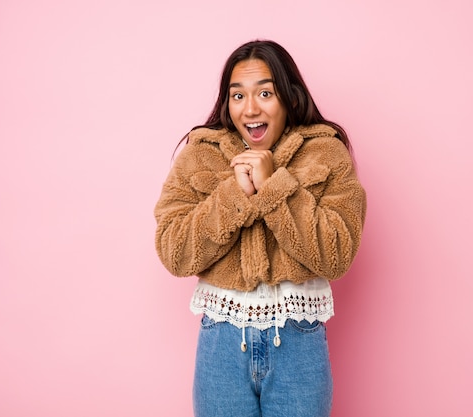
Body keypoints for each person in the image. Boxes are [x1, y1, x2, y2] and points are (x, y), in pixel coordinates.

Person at [154, 39, 366, 417]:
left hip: (298, 343)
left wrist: (275, 187)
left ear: (291, 98)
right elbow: (174, 252)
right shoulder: (198, 154)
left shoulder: (327, 152)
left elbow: (336, 254)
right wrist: (233, 194)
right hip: (221, 344)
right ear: (226, 103)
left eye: (265, 93)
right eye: (237, 96)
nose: (250, 109)